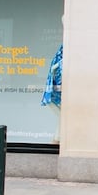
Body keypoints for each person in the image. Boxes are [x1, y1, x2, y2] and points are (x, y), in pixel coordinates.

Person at [41, 16, 64, 144]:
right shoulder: (64, 46)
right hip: (56, 85)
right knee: (62, 114)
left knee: (63, 115)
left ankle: (56, 140)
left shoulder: (67, 45)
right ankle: (56, 139)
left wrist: (56, 67)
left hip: (60, 85)